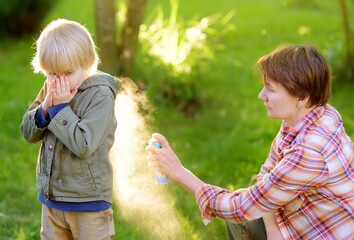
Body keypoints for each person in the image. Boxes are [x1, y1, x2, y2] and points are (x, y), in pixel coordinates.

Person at [146, 44, 354, 239]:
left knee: (240, 217)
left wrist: (177, 171)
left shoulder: (309, 152)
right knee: (244, 220)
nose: (260, 95)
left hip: (327, 232)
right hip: (307, 216)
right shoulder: (314, 114)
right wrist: (272, 230)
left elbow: (240, 207)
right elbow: (267, 174)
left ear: (302, 97)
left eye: (270, 89)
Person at [20, 19, 120, 239]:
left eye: (66, 72)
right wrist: (46, 107)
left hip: (88, 202)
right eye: (51, 74)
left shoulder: (100, 95)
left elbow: (83, 145)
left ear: (87, 63)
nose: (59, 81)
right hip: (52, 199)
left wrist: (61, 108)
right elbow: (28, 132)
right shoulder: (52, 87)